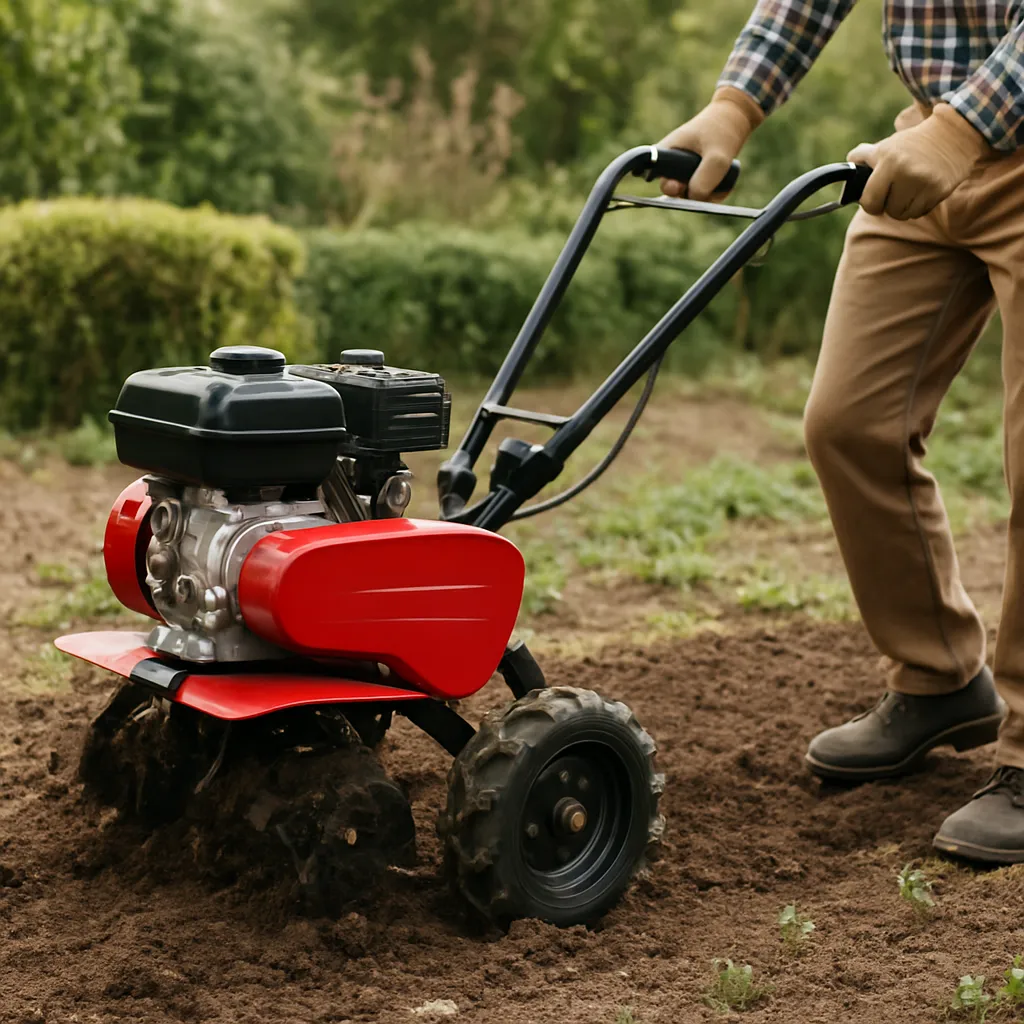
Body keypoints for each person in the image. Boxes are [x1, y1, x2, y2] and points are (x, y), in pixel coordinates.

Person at [659, 0, 1024, 864]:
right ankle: (938, 676)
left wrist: (964, 130)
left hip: (966, 131)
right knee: (850, 423)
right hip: (931, 145)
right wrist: (733, 105)